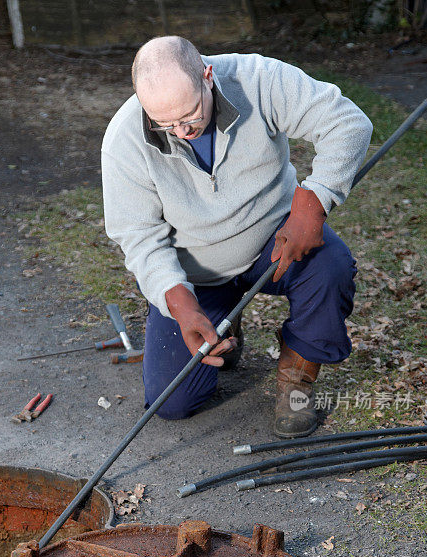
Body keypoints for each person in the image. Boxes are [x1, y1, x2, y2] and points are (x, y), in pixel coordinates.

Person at [101, 36, 373, 438]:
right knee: (174, 405)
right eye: (165, 123)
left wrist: (314, 202)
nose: (181, 131)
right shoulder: (125, 139)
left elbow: (347, 123)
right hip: (195, 274)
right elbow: (140, 237)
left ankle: (296, 382)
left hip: (276, 240)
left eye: (190, 116)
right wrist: (181, 306)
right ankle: (222, 321)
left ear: (207, 77)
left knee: (330, 267)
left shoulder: (258, 80)